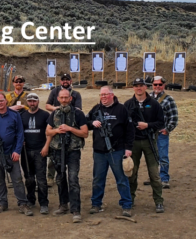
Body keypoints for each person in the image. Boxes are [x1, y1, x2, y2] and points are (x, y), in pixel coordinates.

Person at [86, 86, 134, 217]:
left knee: (121, 179)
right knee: (98, 179)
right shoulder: (96, 109)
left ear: (112, 95)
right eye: (101, 95)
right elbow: (85, 122)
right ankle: (96, 204)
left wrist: (128, 148)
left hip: (117, 150)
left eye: (106, 95)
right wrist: (92, 123)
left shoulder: (121, 109)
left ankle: (126, 205)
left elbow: (130, 129)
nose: (103, 97)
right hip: (99, 151)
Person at [0, 93, 33, 215]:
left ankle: (23, 204)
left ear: (6, 101)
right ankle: (2, 203)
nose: (0, 103)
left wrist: (17, 151)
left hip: (11, 152)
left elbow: (20, 134)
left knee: (17, 179)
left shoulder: (15, 115)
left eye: (1, 101)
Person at [46, 89, 88, 223]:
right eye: (61, 98)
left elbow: (85, 133)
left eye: (66, 98)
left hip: (73, 151)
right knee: (60, 178)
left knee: (73, 179)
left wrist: (70, 129)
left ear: (70, 99)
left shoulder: (78, 113)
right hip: (58, 150)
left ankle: (76, 210)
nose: (64, 100)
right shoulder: (54, 113)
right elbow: (48, 131)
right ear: (58, 99)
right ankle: (63, 205)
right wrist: (57, 130)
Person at [124, 78, 165, 213]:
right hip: (133, 142)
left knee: (154, 173)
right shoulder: (128, 104)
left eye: (141, 85)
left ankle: (158, 201)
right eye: (136, 86)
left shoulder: (154, 104)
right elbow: (123, 124)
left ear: (145, 87)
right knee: (131, 173)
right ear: (133, 88)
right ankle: (130, 200)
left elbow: (161, 123)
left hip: (149, 141)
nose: (138, 88)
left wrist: (147, 125)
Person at [45, 73, 83, 187]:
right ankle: (50, 177)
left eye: (67, 79)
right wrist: (57, 109)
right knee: (54, 153)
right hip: (56, 121)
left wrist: (67, 111)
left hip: (71, 122)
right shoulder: (54, 91)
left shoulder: (76, 94)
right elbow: (47, 105)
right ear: (60, 81)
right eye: (63, 80)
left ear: (71, 81)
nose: (65, 81)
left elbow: (78, 108)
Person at [20, 93, 51, 215]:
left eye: (34, 101)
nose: (32, 103)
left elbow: (49, 132)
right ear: (27, 102)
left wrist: (46, 147)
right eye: (30, 101)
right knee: (29, 178)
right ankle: (31, 200)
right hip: (26, 152)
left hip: (40, 151)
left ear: (38, 101)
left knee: (42, 179)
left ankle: (44, 203)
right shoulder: (22, 115)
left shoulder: (45, 115)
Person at [148, 76, 178, 189]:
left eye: (160, 84)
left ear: (164, 85)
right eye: (155, 84)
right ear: (152, 85)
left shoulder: (168, 99)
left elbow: (174, 117)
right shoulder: (148, 97)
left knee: (163, 156)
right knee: (151, 156)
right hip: (149, 133)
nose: (157, 87)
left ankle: (164, 179)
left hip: (161, 133)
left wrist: (167, 129)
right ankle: (154, 178)